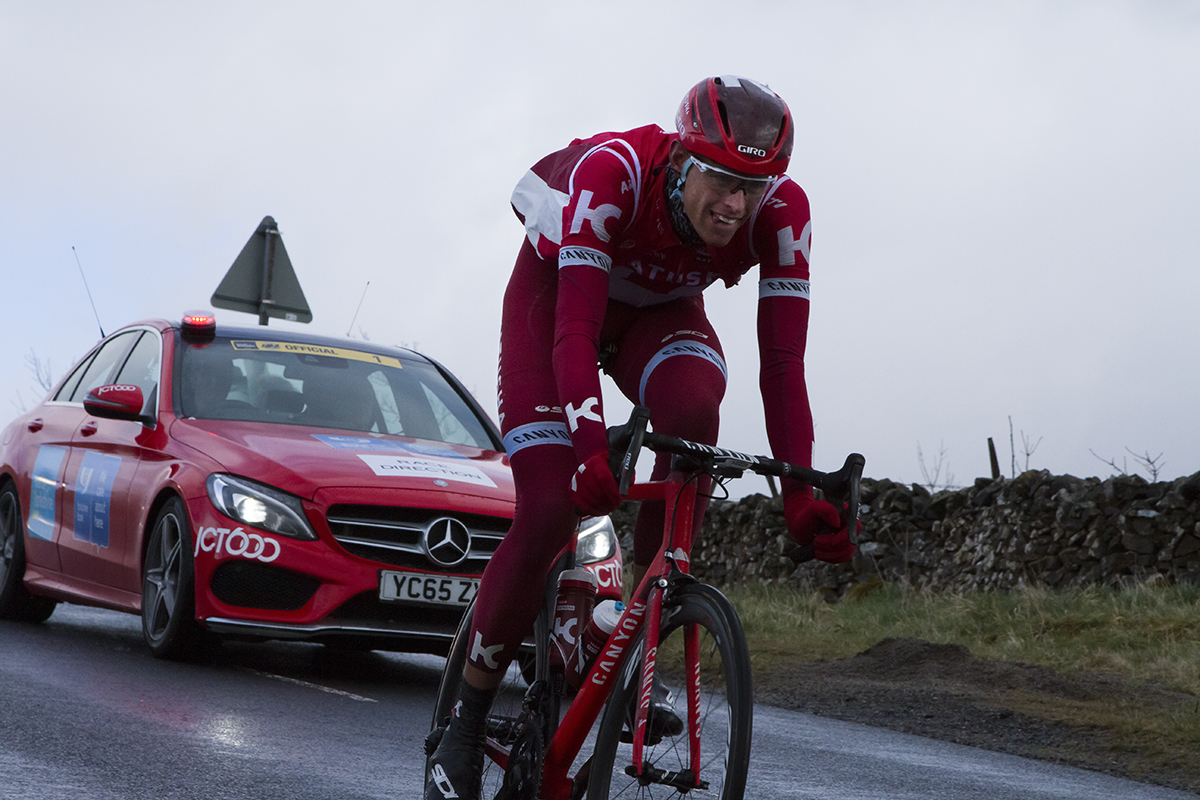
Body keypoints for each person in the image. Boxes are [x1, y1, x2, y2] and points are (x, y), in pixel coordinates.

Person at [425, 75, 856, 800]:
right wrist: (589, 449)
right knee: (549, 512)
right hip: (555, 303)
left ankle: (635, 626)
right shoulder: (613, 175)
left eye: (754, 186)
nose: (736, 204)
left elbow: (783, 366)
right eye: (722, 180)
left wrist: (799, 494)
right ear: (682, 162)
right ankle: (464, 722)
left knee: (694, 412)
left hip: (660, 313)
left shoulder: (782, 214)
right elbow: (573, 332)